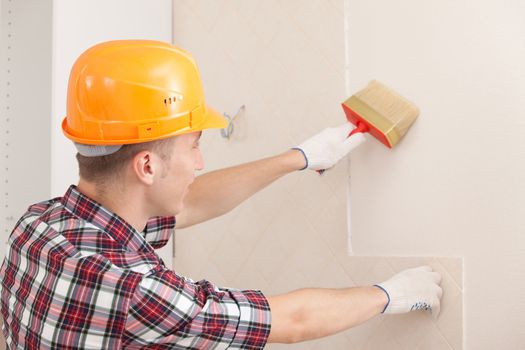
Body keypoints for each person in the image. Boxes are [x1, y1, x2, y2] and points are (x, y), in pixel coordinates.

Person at [0, 40, 442, 349]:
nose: (200, 162)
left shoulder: (37, 225)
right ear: (147, 166)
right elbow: (290, 320)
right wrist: (392, 293)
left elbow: (186, 203)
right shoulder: (139, 291)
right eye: (194, 145)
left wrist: (300, 157)